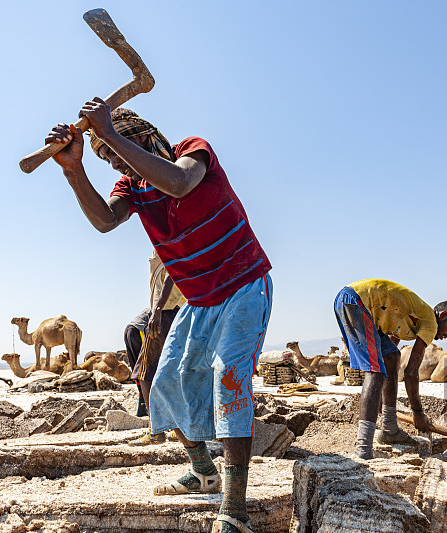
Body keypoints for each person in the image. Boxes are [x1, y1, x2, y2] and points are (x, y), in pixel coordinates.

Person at [46, 101, 271, 533]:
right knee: (164, 380)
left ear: (139, 135)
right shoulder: (131, 187)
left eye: (113, 150)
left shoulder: (192, 151)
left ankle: (235, 508)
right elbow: (105, 221)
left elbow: (182, 184)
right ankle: (203, 470)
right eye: (105, 157)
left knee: (229, 378)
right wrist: (73, 170)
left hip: (244, 284)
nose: (111, 160)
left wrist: (108, 133)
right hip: (200, 300)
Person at [333, 279, 447, 459]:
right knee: (376, 372)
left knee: (393, 358)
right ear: (442, 315)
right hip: (356, 302)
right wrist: (418, 413)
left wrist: (381, 399)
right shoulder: (430, 323)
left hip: (352, 301)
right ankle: (363, 449)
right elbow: (411, 373)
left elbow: (391, 354)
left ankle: (389, 428)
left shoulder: (414, 317)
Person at [124, 249, 186, 442]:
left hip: (166, 311)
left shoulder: (167, 239)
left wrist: (157, 310)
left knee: (145, 373)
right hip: (179, 309)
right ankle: (180, 428)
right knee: (175, 372)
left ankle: (156, 430)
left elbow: (172, 273)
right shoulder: (178, 238)